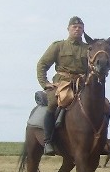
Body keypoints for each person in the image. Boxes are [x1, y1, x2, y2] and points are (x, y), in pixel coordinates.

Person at [36, 16, 89, 155]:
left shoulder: (88, 49)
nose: (77, 30)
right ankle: (48, 141)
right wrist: (45, 83)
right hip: (62, 83)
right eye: (75, 27)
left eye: (80, 28)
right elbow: (42, 65)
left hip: (82, 83)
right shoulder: (58, 46)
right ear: (68, 29)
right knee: (53, 103)